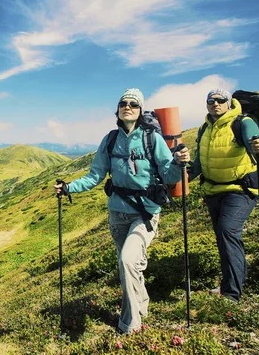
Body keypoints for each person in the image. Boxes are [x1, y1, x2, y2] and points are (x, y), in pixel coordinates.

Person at [54, 88, 190, 334]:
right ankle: (143, 304)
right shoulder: (110, 140)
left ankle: (129, 325)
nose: (127, 106)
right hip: (117, 213)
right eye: (123, 103)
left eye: (133, 104)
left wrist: (180, 163)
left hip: (145, 213)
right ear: (117, 109)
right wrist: (69, 188)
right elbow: (95, 175)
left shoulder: (152, 139)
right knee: (127, 264)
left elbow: (168, 174)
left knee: (128, 261)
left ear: (139, 111)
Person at [188, 88, 259, 302]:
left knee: (227, 231)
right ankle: (233, 281)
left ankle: (232, 294)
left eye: (221, 100)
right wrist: (178, 181)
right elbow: (198, 163)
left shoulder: (243, 122)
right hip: (213, 191)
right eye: (211, 100)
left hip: (241, 190)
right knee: (225, 237)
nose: (216, 103)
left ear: (229, 103)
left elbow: (255, 141)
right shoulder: (205, 128)